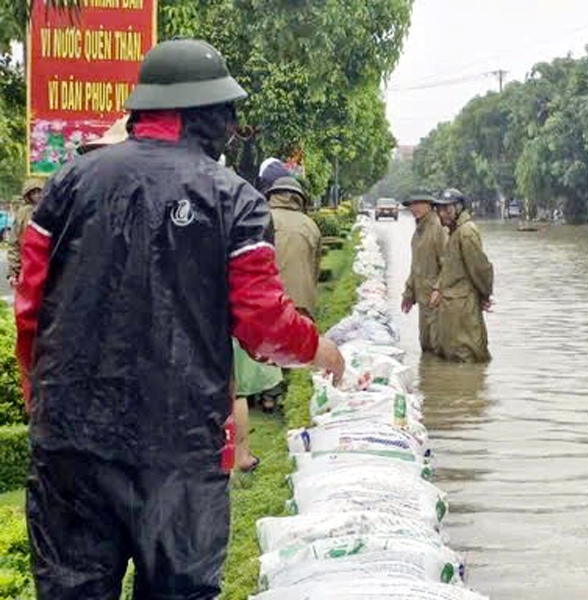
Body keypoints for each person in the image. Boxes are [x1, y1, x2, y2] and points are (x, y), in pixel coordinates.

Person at [14, 39, 344, 599]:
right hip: (181, 451)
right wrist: (319, 350)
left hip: (70, 443)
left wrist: (36, 388)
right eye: (228, 117)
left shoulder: (70, 183)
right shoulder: (234, 200)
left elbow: (31, 303)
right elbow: (262, 322)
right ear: (208, 117)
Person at [430, 188, 494, 363]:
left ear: (459, 208)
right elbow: (450, 268)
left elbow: (480, 268)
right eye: (439, 209)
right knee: (453, 358)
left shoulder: (466, 232)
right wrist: (438, 288)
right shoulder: (453, 232)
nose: (442, 213)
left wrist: (485, 294)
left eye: (447, 209)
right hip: (452, 309)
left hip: (463, 310)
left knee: (467, 356)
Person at [267, 176, 322, 318]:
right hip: (300, 308)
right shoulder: (310, 225)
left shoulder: (261, 219)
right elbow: (314, 271)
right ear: (300, 199)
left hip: (265, 303)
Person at [402, 192, 447, 354]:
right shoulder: (418, 232)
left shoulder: (438, 228)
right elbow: (416, 267)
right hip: (423, 300)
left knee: (438, 346)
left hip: (437, 302)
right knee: (425, 345)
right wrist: (409, 293)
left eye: (418, 204)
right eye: (411, 205)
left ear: (429, 205)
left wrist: (439, 288)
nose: (413, 208)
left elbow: (448, 264)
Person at [6, 179, 44, 289]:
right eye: (33, 192)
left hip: (47, 263)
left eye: (39, 191)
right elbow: (14, 243)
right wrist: (13, 272)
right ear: (28, 194)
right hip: (27, 263)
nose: (37, 195)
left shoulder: (50, 209)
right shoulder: (22, 213)